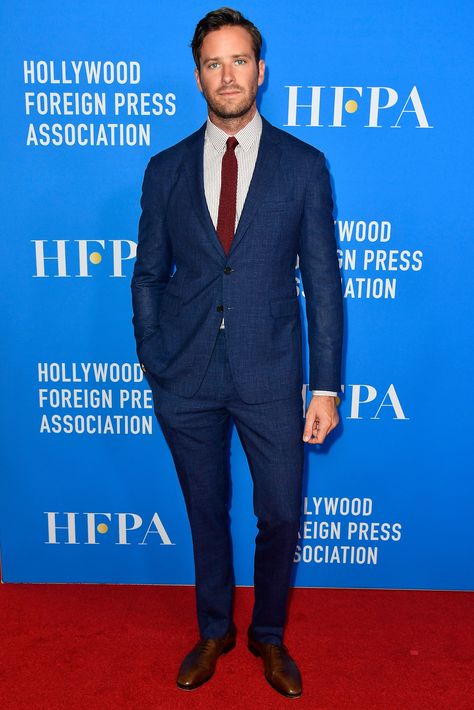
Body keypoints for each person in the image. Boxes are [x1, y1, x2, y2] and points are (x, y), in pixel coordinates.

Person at [131, 6, 343, 699]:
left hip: (270, 371)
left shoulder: (304, 166)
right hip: (184, 375)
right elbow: (148, 274)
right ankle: (215, 626)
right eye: (214, 63)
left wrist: (326, 386)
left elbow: (323, 282)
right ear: (197, 78)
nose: (228, 75)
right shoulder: (164, 170)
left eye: (240, 60)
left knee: (281, 510)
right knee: (205, 508)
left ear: (261, 71)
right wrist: (153, 356)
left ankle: (269, 635)